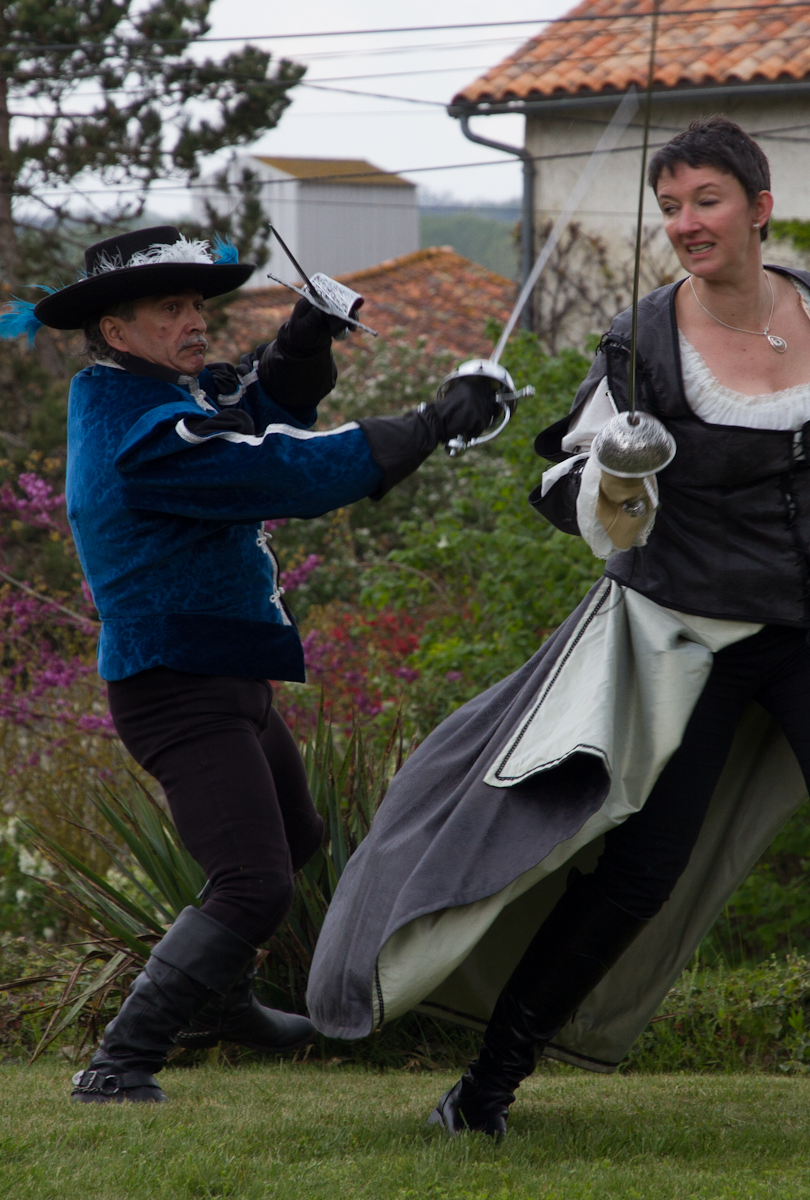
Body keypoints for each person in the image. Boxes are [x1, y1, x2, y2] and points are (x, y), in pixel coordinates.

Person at [307, 117, 810, 1141]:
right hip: (686, 635)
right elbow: (567, 491)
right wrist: (619, 474)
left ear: (758, 208)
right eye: (670, 206)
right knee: (641, 869)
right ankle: (483, 1091)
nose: (685, 223)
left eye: (705, 201)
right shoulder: (641, 347)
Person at [2, 224, 499, 1104]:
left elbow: (255, 417)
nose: (195, 321)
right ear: (116, 330)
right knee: (251, 883)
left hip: (222, 674)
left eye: (197, 303)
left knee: (296, 839)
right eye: (171, 307)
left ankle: (220, 1007)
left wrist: (302, 341)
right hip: (175, 686)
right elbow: (278, 470)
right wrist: (428, 424)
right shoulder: (139, 436)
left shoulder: (151, 398)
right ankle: (118, 1064)